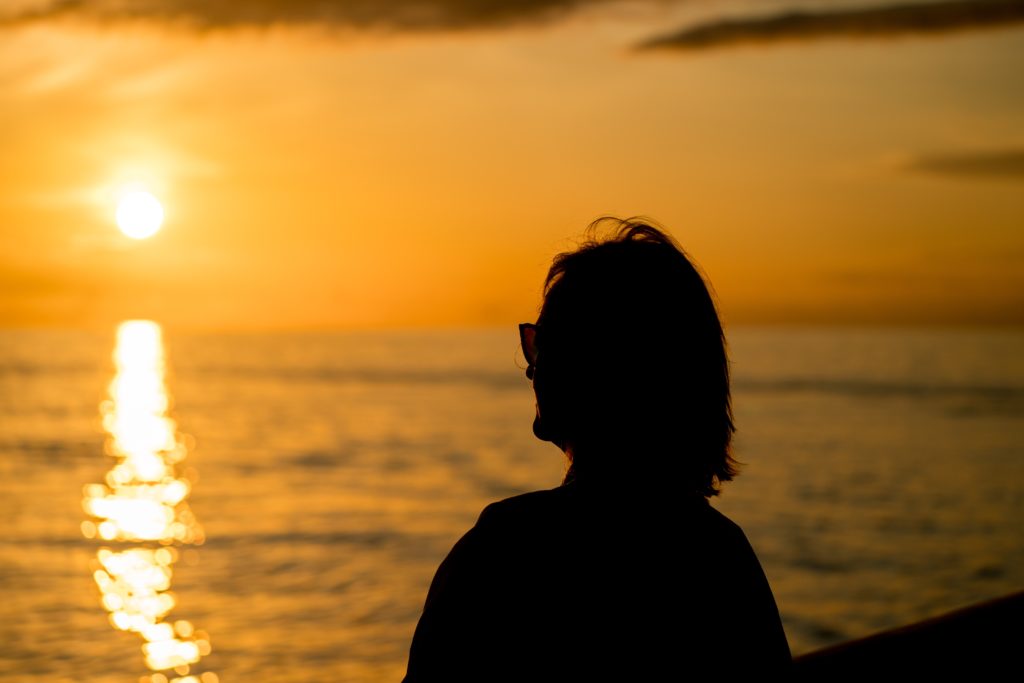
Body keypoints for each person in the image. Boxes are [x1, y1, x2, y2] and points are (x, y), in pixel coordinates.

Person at [404, 218, 791, 681]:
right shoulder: (722, 556)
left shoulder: (508, 551)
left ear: (591, 366)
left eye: (541, 344)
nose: (530, 369)